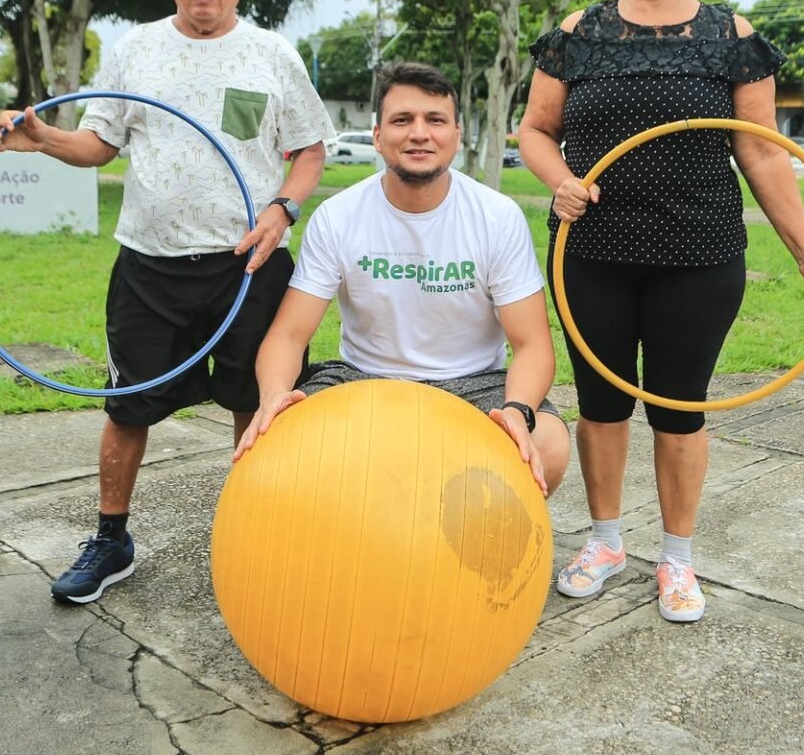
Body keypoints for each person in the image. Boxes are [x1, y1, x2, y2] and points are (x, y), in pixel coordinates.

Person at [517, 0, 804, 622]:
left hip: (699, 254)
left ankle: (676, 558)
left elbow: (762, 153)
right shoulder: (577, 31)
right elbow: (535, 130)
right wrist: (562, 180)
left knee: (680, 408)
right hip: (592, 251)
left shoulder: (731, 37)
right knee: (603, 404)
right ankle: (606, 542)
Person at [0, 0, 335, 604]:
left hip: (250, 264)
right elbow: (98, 145)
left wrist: (282, 207)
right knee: (127, 407)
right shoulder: (134, 49)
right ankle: (112, 537)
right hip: (150, 265)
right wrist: (41, 137)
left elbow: (310, 149)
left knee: (255, 400)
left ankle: (252, 530)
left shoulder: (272, 54)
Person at [234, 61, 569, 497]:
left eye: (435, 120)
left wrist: (518, 409)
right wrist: (275, 394)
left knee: (548, 441)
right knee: (284, 437)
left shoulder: (497, 216)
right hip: (363, 378)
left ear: (456, 134)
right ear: (377, 137)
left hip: (472, 382)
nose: (419, 133)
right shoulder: (338, 216)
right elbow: (289, 335)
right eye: (401, 120)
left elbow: (533, 345)